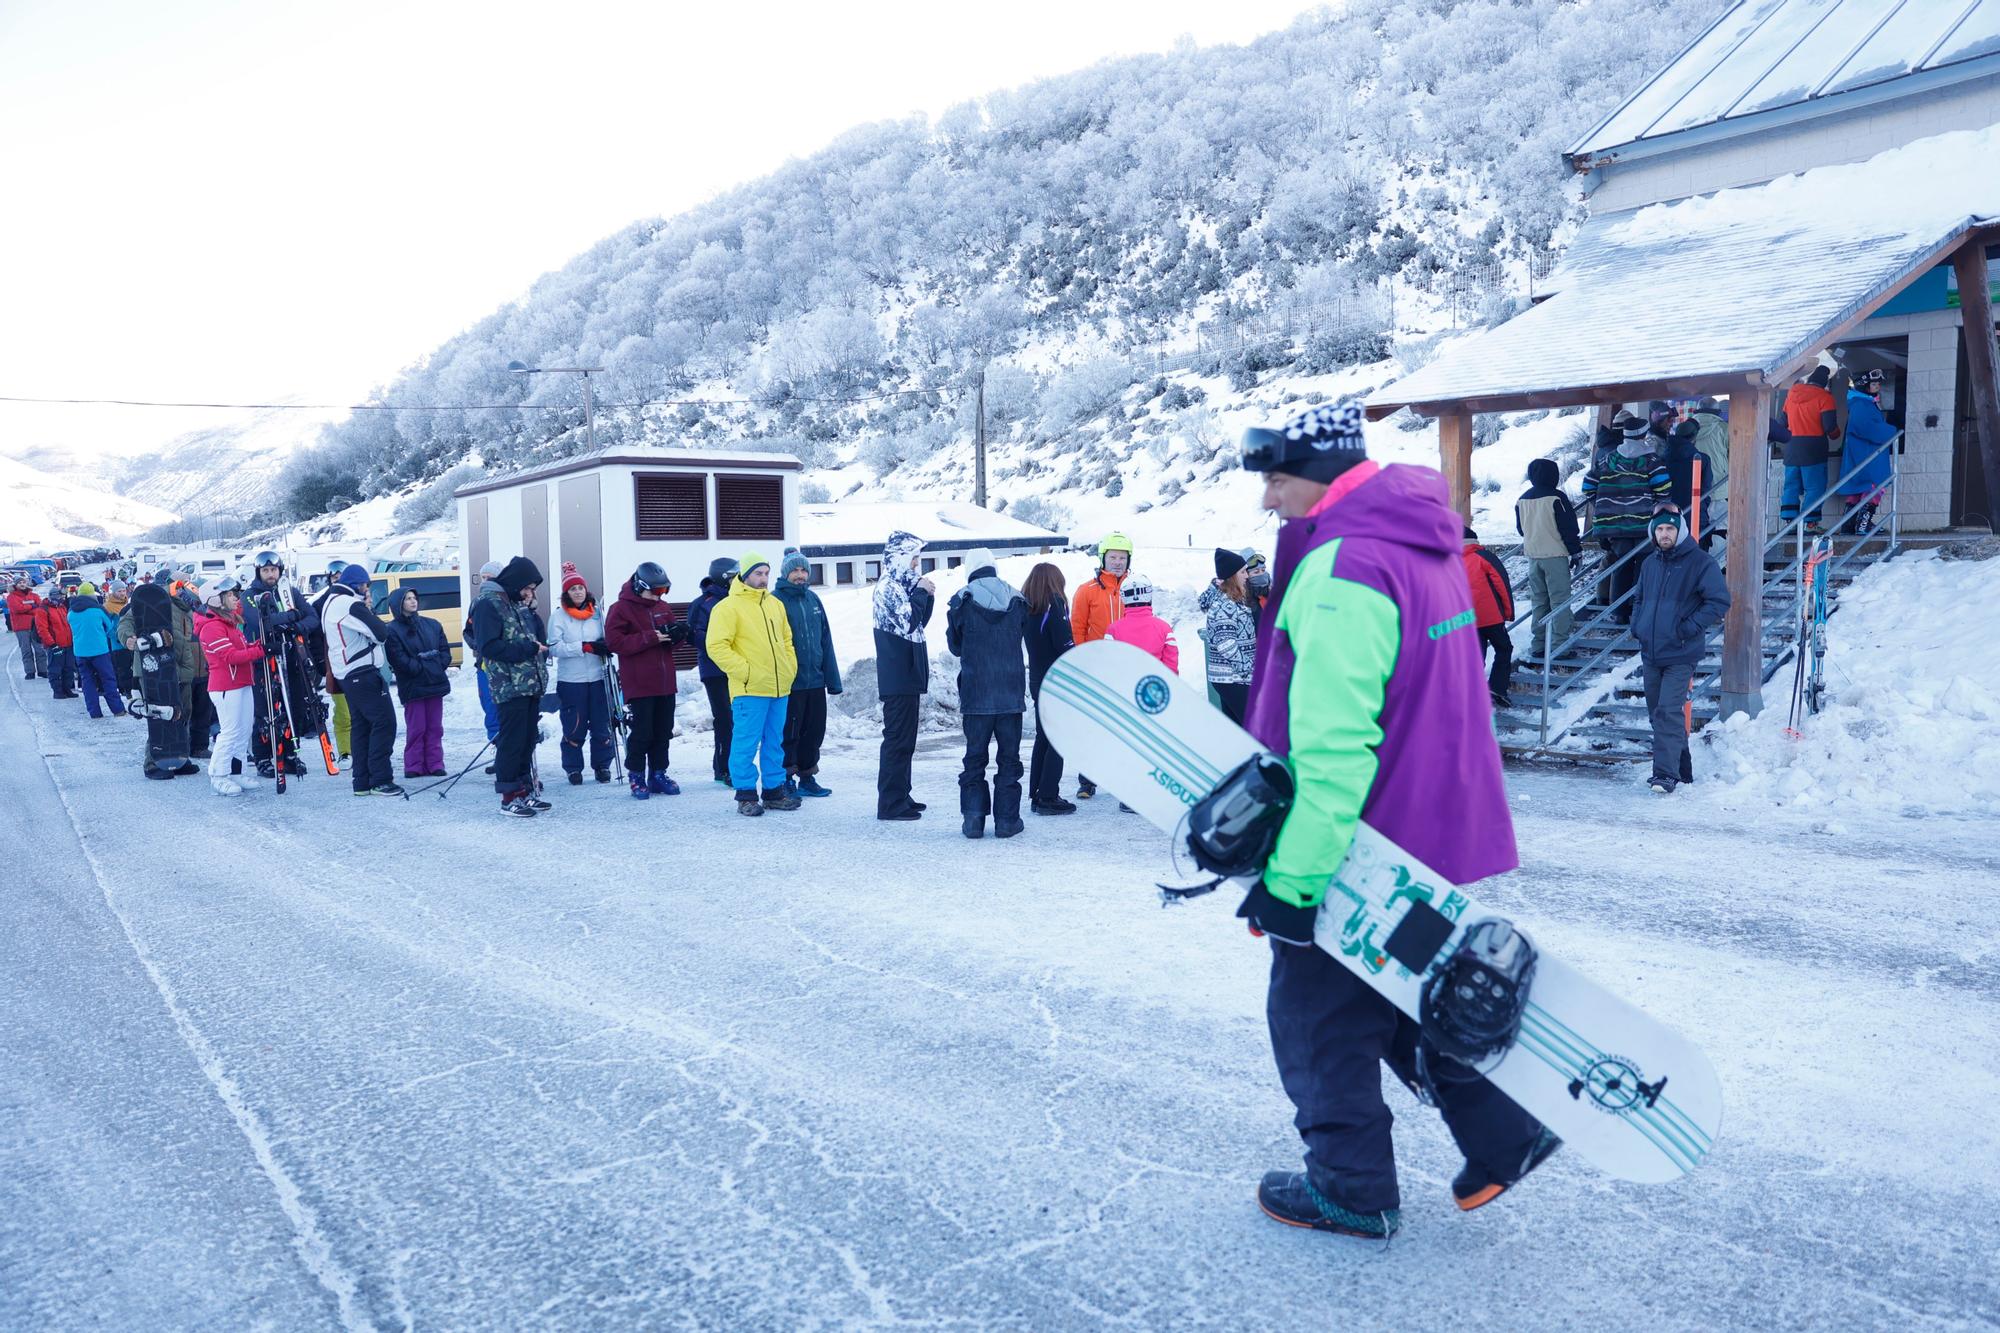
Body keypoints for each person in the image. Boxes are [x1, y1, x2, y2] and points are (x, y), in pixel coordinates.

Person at [1235, 401, 1552, 1240]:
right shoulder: (1424, 543)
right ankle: (1504, 1134)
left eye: (1275, 479)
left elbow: (1335, 755)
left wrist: (1291, 885)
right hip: (1434, 822)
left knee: (1316, 1016)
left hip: (1360, 846)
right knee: (1409, 990)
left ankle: (1351, 1186)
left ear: (1322, 471)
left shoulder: (1347, 568)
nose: (1267, 501)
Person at [1630, 509, 1731, 795]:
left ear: (1680, 532)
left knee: (1668, 712)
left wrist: (1687, 628)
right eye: (1659, 529)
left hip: (1680, 652)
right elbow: (1639, 598)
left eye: (1669, 530)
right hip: (1651, 652)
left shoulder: (1700, 562)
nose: (1664, 534)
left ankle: (1664, 775)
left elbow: (1719, 600)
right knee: (1657, 714)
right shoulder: (1650, 563)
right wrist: (1636, 625)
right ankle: (1683, 771)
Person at [705, 551, 798, 816]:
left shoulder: (774, 604)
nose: (763, 578)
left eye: (766, 573)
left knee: (774, 741)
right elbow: (716, 646)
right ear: (744, 576)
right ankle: (746, 794)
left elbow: (787, 640)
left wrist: (789, 667)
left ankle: (773, 791)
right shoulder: (728, 607)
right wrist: (745, 672)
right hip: (749, 690)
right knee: (745, 742)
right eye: (758, 573)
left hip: (779, 687)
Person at [945, 548, 1028, 839]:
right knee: (1009, 758)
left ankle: (973, 820)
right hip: (1010, 692)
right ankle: (1007, 821)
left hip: (976, 691)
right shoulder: (1017, 598)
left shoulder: (961, 600)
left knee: (974, 758)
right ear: (993, 568)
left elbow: (955, 646)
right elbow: (1021, 635)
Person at [466, 557, 549, 816]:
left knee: (526, 739)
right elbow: (488, 646)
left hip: (529, 683)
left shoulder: (513, 603)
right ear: (515, 582)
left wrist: (536, 650)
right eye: (528, 587)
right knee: (512, 741)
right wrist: (528, 649)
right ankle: (509, 796)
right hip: (509, 685)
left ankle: (525, 791)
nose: (529, 594)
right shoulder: (487, 604)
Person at [603, 562, 687, 799]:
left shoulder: (662, 607)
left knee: (663, 731)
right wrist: (650, 637)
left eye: (664, 591)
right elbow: (615, 643)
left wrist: (678, 635)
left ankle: (659, 774)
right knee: (642, 732)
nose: (660, 596)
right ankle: (637, 775)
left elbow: (671, 642)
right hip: (639, 683)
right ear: (640, 586)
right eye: (657, 591)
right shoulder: (620, 609)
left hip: (665, 682)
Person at [323, 564, 405, 798]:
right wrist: (367, 608)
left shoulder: (331, 601)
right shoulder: (350, 604)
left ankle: (362, 781)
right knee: (384, 722)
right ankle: (381, 779)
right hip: (362, 671)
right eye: (365, 585)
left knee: (362, 726)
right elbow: (380, 632)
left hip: (347, 673)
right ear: (356, 585)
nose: (367, 589)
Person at [1580, 412, 1669, 624]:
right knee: (1644, 566)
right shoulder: (1650, 460)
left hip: (1614, 527)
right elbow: (1664, 489)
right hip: (1643, 524)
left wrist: (1606, 504)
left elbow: (1588, 487)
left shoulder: (1608, 459)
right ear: (1642, 435)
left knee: (1621, 565)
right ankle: (1639, 612)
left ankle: (1620, 613)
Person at [872, 531, 934, 821]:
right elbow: (909, 622)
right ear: (899, 559)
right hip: (898, 677)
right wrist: (920, 591)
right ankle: (890, 803)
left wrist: (924, 594)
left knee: (906, 741)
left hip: (907, 675)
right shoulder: (889, 588)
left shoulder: (902, 586)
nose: (916, 566)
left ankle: (902, 794)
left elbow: (921, 620)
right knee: (897, 740)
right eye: (913, 560)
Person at [242, 551, 319, 778]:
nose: (270, 574)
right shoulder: (250, 595)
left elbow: (312, 617)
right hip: (263, 659)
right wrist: (292, 617)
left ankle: (289, 754)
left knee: (292, 707)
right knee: (265, 710)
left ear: (280, 571)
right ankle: (263, 757)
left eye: (273, 570)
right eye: (265, 571)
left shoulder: (290, 593)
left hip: (290, 657)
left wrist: (294, 627)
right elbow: (258, 622)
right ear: (259, 572)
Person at [1068, 532, 1131, 799]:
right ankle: (1087, 779)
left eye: (1122, 557)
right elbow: (1077, 628)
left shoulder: (1135, 588)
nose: (1118, 562)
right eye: (1113, 557)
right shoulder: (1087, 590)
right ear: (1103, 558)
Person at [773, 552, 842, 798]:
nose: (800, 575)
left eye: (804, 571)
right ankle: (785, 778)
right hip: (790, 683)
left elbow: (826, 640)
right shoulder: (775, 601)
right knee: (789, 732)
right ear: (785, 573)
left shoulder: (813, 599)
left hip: (815, 680)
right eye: (795, 570)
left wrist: (832, 679)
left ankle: (807, 777)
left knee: (814, 731)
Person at [546, 564, 617, 787]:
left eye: (581, 588)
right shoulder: (558, 617)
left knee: (600, 724)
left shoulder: (597, 614)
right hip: (572, 680)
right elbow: (554, 647)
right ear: (566, 593)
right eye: (573, 589)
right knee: (574, 725)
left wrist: (606, 646)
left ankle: (602, 765)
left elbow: (607, 637)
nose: (578, 592)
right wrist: (583, 647)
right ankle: (573, 768)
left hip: (597, 677)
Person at [196, 579, 268, 797]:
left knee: (244, 730)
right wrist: (262, 651)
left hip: (243, 682)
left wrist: (262, 644)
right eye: (230, 594)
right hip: (226, 685)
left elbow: (243, 649)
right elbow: (231, 657)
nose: (236, 598)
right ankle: (218, 775)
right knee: (230, 732)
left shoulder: (230, 623)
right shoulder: (211, 628)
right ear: (216, 599)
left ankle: (237, 771)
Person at [1513, 459, 1582, 660]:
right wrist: (1575, 551)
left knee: (1539, 601)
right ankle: (1560, 646)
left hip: (1533, 557)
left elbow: (1520, 530)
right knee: (1560, 601)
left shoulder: (1522, 499)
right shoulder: (1557, 497)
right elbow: (1569, 528)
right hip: (1556, 556)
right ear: (1554, 475)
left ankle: (1538, 644)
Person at [1021, 562, 1075, 816]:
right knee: (1058, 738)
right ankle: (1048, 796)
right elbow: (1064, 643)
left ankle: (1037, 792)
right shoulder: (1054, 604)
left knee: (1044, 737)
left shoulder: (1028, 607)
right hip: (1056, 681)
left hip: (1037, 679)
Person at [382, 586, 452, 779]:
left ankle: (435, 763)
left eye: (414, 598)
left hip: (434, 683)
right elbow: (398, 659)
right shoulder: (392, 630)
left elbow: (445, 651)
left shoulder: (433, 624)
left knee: (435, 727)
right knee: (417, 727)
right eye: (408, 599)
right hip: (413, 685)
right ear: (398, 604)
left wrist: (435, 666)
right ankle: (413, 765)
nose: (413, 601)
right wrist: (421, 667)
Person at [685, 557, 739, 787]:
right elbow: (695, 636)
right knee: (725, 718)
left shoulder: (738, 599)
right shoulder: (703, 603)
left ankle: (735, 766)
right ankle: (723, 768)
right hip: (714, 669)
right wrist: (722, 644)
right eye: (735, 575)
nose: (739, 579)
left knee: (739, 718)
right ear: (724, 577)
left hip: (737, 666)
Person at [1780, 366, 1841, 532]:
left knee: (1791, 486)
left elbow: (1782, 424)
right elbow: (1830, 427)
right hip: (1814, 449)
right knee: (1814, 487)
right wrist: (1838, 435)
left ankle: (1789, 524)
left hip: (1791, 447)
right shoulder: (1825, 397)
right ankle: (1810, 523)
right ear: (1824, 383)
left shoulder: (1791, 395)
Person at [1201, 548, 1258, 724]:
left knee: (1237, 727)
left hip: (1234, 678)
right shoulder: (1224, 605)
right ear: (1232, 576)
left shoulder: (1234, 602)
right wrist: (1248, 668)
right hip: (1232, 678)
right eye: (1242, 572)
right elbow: (1226, 644)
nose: (1247, 576)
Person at [1461, 528, 1516, 708]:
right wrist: (1507, 613)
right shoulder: (1484, 557)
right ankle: (1497, 689)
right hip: (1491, 617)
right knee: (1504, 649)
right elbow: (1502, 585)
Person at [1840, 369, 1897, 535]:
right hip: (1868, 453)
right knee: (1874, 487)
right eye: (1874, 383)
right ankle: (1863, 525)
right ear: (1863, 386)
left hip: (1863, 452)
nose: (1877, 386)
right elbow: (1864, 428)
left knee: (1859, 489)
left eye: (1878, 383)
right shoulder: (1862, 404)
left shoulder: (1861, 402)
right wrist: (1891, 430)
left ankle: (1849, 525)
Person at [308, 559, 351, 762]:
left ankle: (361, 748)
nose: (339, 581)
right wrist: (321, 665)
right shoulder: (320, 604)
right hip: (335, 664)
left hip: (359, 663)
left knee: (362, 711)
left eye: (343, 578)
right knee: (343, 712)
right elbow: (316, 638)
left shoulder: (357, 602)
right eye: (335, 578)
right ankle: (346, 751)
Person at [65, 583, 127, 719]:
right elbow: (109, 627)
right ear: (92, 595)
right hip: (100, 651)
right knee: (108, 679)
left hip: (80, 652)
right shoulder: (98, 610)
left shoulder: (71, 612)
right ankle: (118, 710)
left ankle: (94, 712)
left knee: (87, 682)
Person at [469, 559, 506, 757]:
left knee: (505, 710)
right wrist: (479, 644)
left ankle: (508, 752)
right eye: (482, 577)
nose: (485, 581)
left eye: (489, 578)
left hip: (504, 667)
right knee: (490, 710)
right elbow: (468, 630)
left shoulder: (506, 602)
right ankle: (496, 748)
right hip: (484, 666)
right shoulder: (476, 603)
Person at [1104, 571, 1177, 670]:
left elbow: (1109, 664)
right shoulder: (1164, 628)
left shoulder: (1113, 630)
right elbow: (1171, 668)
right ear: (1149, 594)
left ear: (1123, 597)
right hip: (1154, 684)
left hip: (1123, 684)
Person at [1688, 399, 1731, 547]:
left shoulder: (1687, 429)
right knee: (1720, 528)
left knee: (1696, 529)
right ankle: (1718, 564)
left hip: (1693, 489)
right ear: (1717, 412)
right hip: (1720, 488)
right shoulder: (1724, 428)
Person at [35, 589, 77, 699]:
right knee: (55, 669)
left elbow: (68, 625)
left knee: (69, 668)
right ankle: (57, 691)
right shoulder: (43, 610)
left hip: (68, 643)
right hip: (55, 645)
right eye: (60, 596)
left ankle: (67, 689)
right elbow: (42, 629)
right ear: (54, 596)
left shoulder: (62, 607)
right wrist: (52, 644)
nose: (63, 598)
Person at [8, 576, 49, 680]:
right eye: (20, 583)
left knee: (40, 649)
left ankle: (43, 670)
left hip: (35, 626)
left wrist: (26, 609)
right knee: (26, 650)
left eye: (24, 582)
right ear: (15, 585)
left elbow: (40, 608)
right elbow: (17, 609)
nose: (22, 584)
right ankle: (30, 672)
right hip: (21, 628)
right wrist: (31, 607)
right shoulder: (11, 597)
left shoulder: (34, 595)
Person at [102, 579, 134, 698]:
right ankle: (125, 690)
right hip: (118, 644)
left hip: (131, 641)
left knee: (133, 667)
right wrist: (117, 636)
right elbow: (106, 627)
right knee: (123, 669)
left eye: (124, 590)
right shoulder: (108, 607)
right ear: (113, 592)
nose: (122, 593)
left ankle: (133, 689)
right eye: (119, 591)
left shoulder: (127, 604)